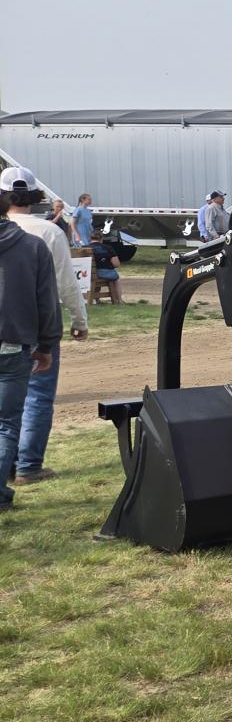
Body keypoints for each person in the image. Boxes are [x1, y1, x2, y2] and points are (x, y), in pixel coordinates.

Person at [1, 167, 85, 490]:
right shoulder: (48, 233)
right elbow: (65, 285)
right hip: (35, 328)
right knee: (37, 397)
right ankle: (28, 465)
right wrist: (79, 320)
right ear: (35, 196)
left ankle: (8, 468)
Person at [0, 203, 59, 513]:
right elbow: (47, 301)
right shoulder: (34, 246)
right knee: (6, 424)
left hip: (15, 345)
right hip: (14, 345)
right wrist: (47, 345)